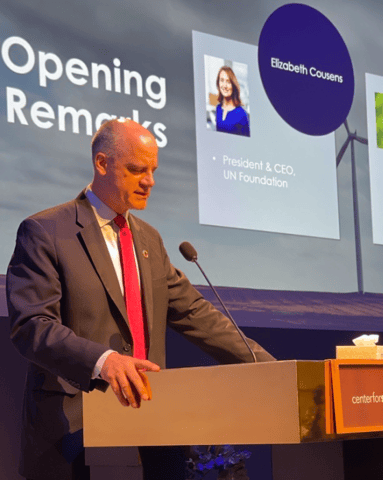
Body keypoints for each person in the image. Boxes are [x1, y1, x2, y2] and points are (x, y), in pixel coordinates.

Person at [6, 119, 274, 480]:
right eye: (136, 170)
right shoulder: (46, 231)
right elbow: (32, 326)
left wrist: (272, 369)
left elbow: (196, 314)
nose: (149, 181)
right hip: (72, 432)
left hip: (151, 428)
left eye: (153, 170)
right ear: (102, 164)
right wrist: (104, 361)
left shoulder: (148, 240)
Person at [215, 66, 250, 137]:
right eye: (221, 80)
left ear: (233, 85)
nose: (224, 85)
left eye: (228, 81)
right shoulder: (218, 108)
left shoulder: (241, 114)